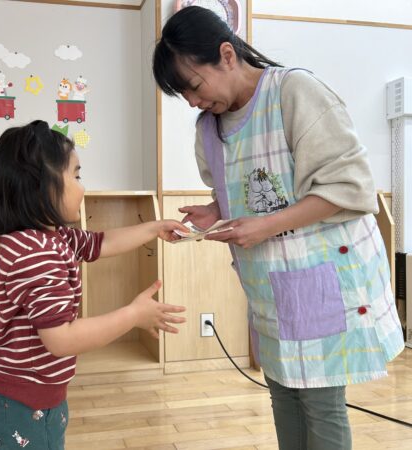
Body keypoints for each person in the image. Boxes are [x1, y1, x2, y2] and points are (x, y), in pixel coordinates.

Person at [152, 6, 404, 450]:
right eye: (183, 94)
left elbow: (349, 188)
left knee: (320, 403)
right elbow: (251, 189)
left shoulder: (294, 92)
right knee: (283, 392)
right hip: (270, 286)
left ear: (226, 55)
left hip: (325, 276)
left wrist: (266, 227)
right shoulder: (209, 128)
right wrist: (216, 209)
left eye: (193, 85)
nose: (192, 102)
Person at [0, 120, 188, 450]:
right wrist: (133, 315)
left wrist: (153, 228)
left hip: (13, 395)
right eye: (76, 175)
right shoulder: (37, 253)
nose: (83, 187)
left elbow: (100, 243)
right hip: (21, 407)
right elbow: (62, 339)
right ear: (41, 185)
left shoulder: (46, 237)